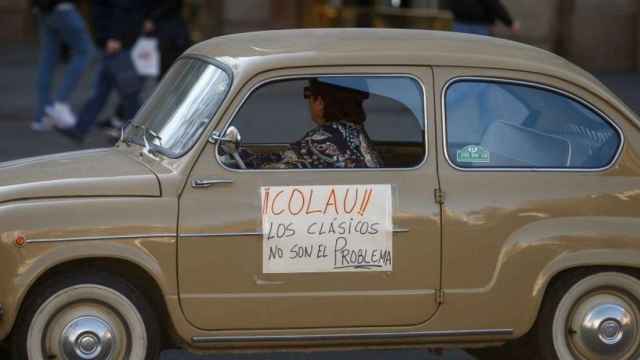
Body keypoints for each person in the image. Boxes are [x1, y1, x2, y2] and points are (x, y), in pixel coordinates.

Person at [235, 78, 382, 169]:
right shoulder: (357, 133)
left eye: (308, 93)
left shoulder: (321, 140)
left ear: (319, 102)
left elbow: (274, 172)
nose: (308, 100)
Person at [54, 0, 148, 142]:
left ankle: (135, 133)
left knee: (129, 92)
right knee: (103, 89)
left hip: (115, 43)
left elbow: (123, 7)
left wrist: (115, 37)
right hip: (111, 41)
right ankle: (81, 128)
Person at [31, 0, 94, 131]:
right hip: (63, 7)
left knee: (47, 60)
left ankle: (42, 115)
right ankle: (59, 103)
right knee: (85, 51)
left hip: (44, 9)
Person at [144, 0, 192, 78]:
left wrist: (151, 18)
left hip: (169, 28)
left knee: (171, 63)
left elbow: (170, 4)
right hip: (163, 28)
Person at [449, 0, 520, 36]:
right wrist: (509, 23)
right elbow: (494, 5)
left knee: (461, 51)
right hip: (480, 26)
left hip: (460, 23)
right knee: (480, 52)